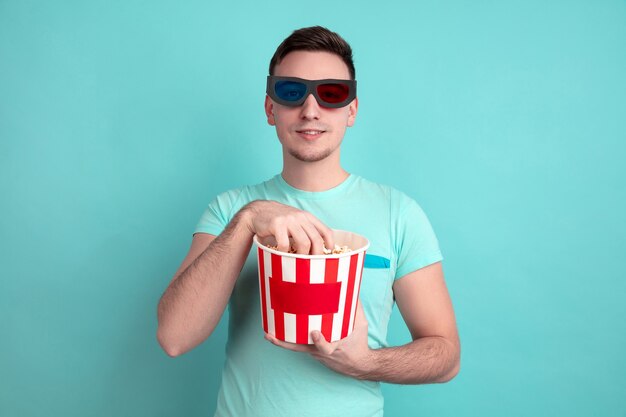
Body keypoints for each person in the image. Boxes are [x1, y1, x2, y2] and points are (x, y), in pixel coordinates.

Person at [157, 26, 460, 417]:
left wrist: (364, 362)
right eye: (291, 92)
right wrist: (248, 220)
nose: (311, 109)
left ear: (352, 110)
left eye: (331, 93)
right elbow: (174, 337)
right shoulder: (229, 209)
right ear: (270, 108)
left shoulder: (398, 214)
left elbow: (445, 355)